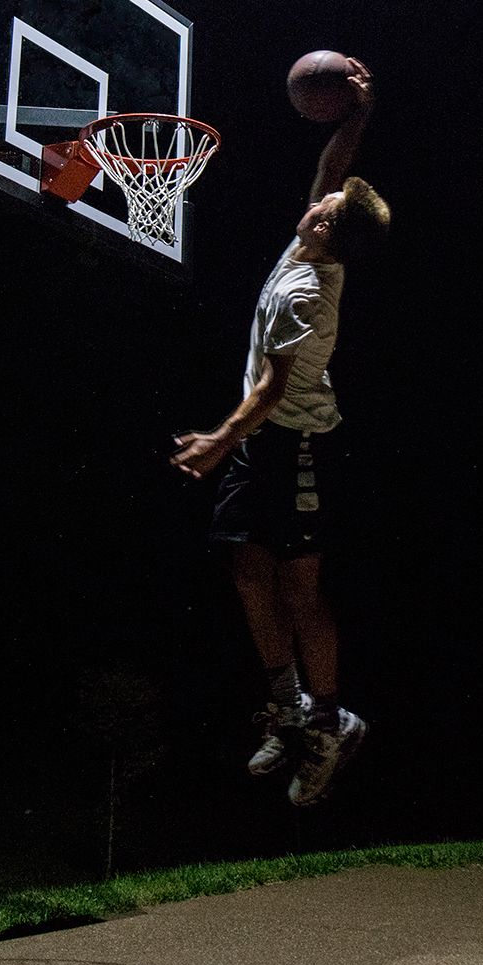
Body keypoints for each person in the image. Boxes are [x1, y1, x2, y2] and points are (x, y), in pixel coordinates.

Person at [171, 59, 390, 806]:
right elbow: (333, 164)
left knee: (299, 589)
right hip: (263, 443)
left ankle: (331, 722)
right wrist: (357, 112)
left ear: (330, 234)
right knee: (242, 568)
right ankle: (288, 705)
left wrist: (217, 441)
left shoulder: (306, 288)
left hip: (294, 445)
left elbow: (270, 388)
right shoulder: (309, 244)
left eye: (325, 208)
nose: (317, 201)